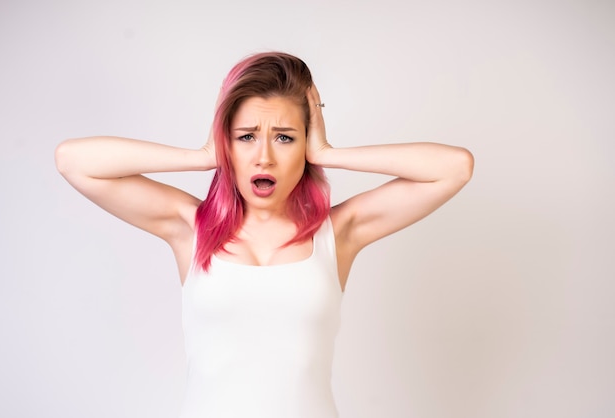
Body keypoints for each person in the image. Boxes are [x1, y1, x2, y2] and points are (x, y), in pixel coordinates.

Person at [55, 51, 474, 418]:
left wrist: (329, 153)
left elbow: (455, 167)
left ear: (305, 146)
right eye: (247, 136)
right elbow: (73, 160)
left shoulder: (338, 233)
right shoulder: (189, 227)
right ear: (228, 146)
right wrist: (201, 156)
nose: (264, 156)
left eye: (285, 138)